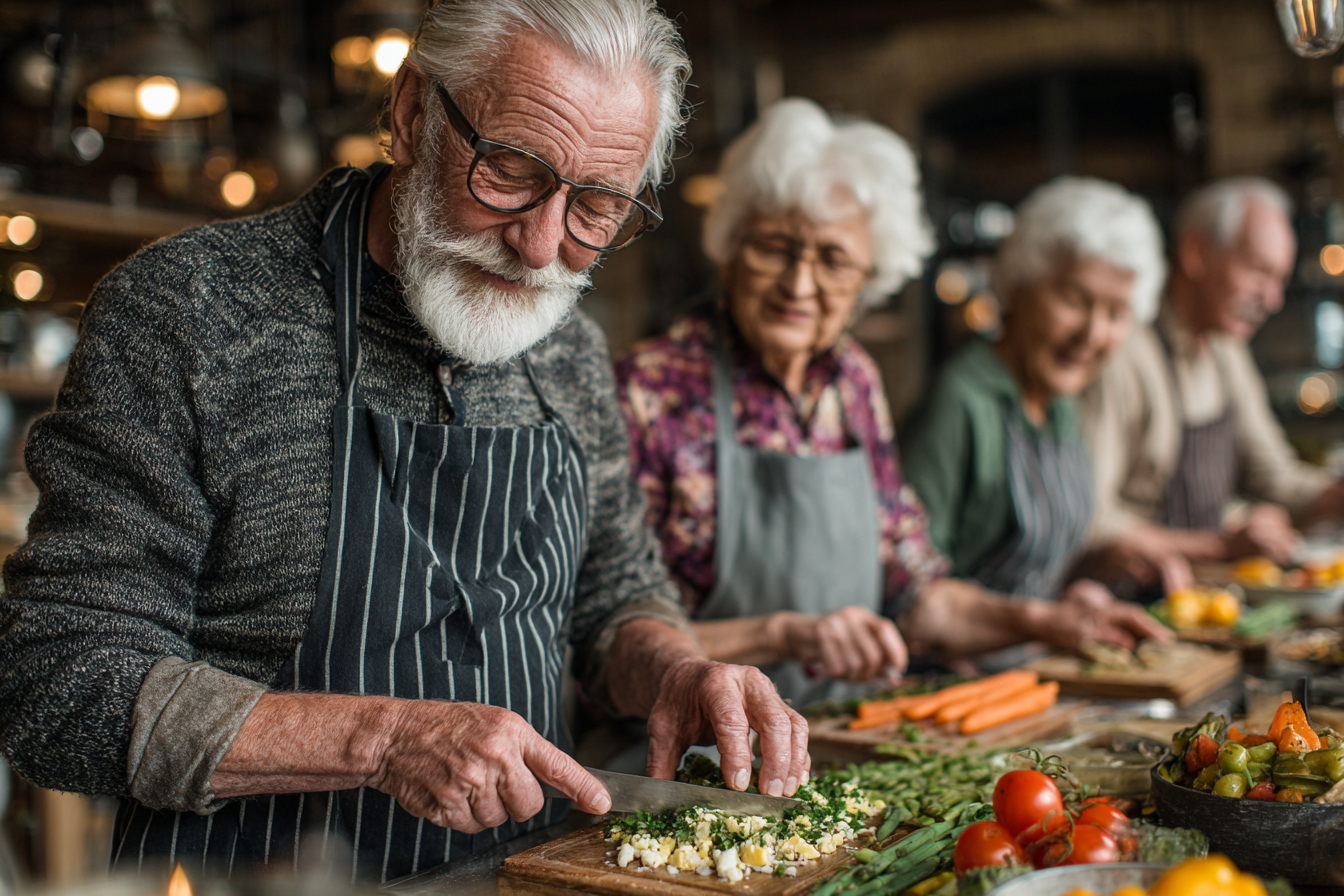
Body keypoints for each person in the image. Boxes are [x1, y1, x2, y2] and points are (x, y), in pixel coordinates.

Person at [0, 1, 809, 881]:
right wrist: (385, 739)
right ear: (412, 111)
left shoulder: (568, 347)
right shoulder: (191, 315)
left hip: (531, 879)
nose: (541, 247)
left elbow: (615, 594)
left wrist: (675, 670)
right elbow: (57, 684)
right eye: (508, 169)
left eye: (598, 207)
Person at [615, 100, 1166, 706]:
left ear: (868, 280)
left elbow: (918, 596)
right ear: (729, 247)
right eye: (773, 247)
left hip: (842, 747)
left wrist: (1045, 621)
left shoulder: (853, 385)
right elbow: (606, 640)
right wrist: (784, 633)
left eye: (833, 260)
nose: (799, 285)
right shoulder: (650, 392)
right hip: (692, 761)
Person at [902, 177, 1167, 602]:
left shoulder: (1061, 406)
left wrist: (1099, 564)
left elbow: (1039, 572)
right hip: (956, 667)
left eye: (1116, 313)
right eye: (1075, 300)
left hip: (1036, 655)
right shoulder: (960, 402)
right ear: (1019, 284)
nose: (1092, 333)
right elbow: (909, 589)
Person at [1081, 177, 1344, 575]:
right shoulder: (1125, 354)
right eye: (1258, 271)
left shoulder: (1226, 349)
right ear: (1197, 253)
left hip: (1201, 593)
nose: (1271, 300)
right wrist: (1220, 546)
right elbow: (1089, 519)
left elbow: (1274, 475)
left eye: (1279, 280)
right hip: (1128, 601)